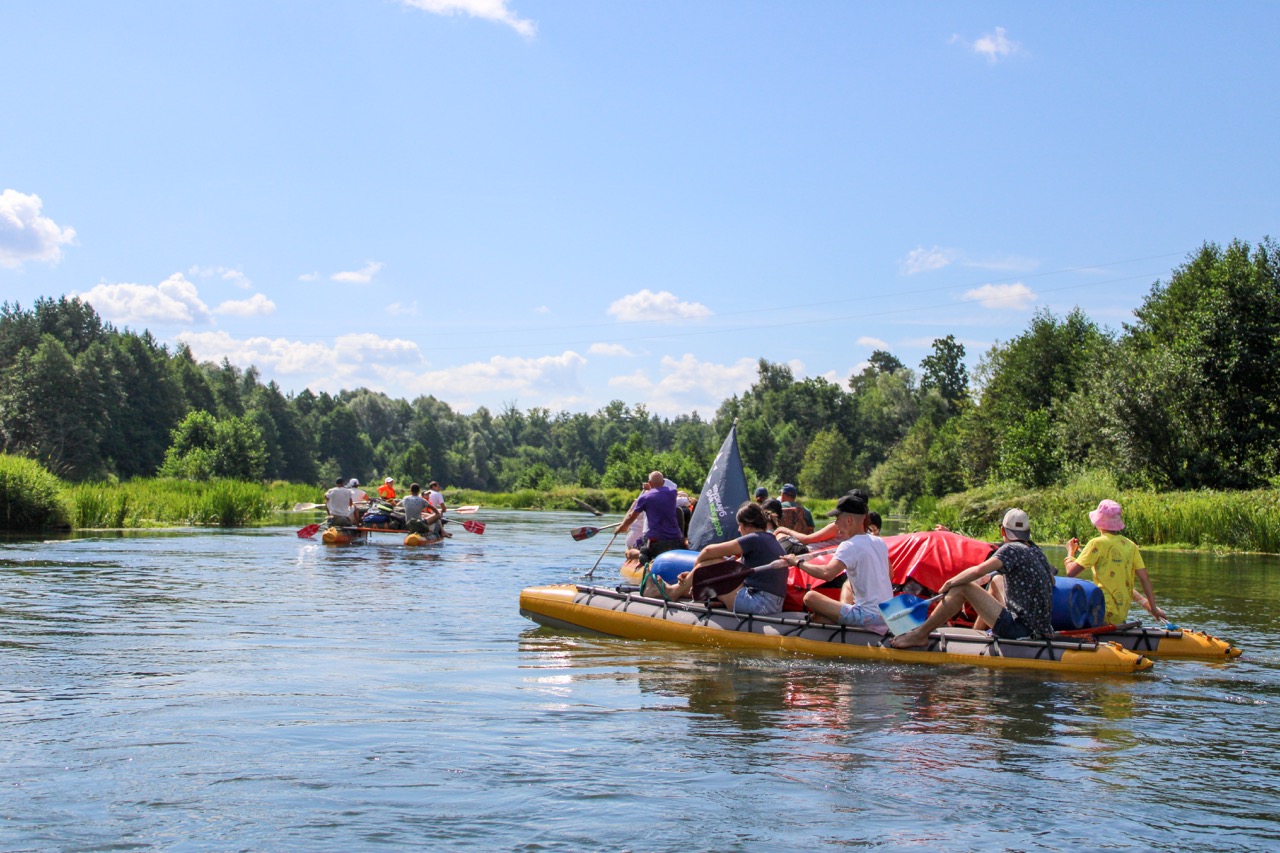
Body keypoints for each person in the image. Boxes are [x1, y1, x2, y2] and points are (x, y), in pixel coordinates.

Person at [889, 508, 1055, 648]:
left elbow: (978, 571)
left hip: (1019, 630)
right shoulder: (1037, 552)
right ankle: (977, 634)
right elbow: (1052, 581)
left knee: (962, 587)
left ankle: (920, 634)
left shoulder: (1010, 549)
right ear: (1027, 533)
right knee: (996, 581)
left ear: (1003, 531)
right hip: (1041, 629)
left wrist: (949, 582)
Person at [783, 494, 893, 632]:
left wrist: (797, 562)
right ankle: (830, 618)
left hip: (866, 616)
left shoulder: (848, 545)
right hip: (888, 614)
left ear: (848, 520)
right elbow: (890, 575)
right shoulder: (879, 541)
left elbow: (826, 574)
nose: (835, 524)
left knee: (810, 597)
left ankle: (835, 621)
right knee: (847, 584)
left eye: (837, 519)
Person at [660, 502, 787, 614]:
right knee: (718, 566)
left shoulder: (754, 538)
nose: (738, 529)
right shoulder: (770, 539)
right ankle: (680, 590)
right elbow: (733, 568)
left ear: (747, 525)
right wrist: (696, 574)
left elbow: (708, 551)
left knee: (714, 562)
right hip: (772, 604)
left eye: (739, 525)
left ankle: (674, 592)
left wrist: (699, 572)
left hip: (759, 604)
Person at [1064, 499, 1165, 625]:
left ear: (1098, 522)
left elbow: (1070, 572)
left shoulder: (1096, 543)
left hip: (1101, 612)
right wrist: (1153, 608)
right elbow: (1144, 578)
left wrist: (1070, 552)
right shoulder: (1130, 545)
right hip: (1120, 615)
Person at [618, 471, 685, 563]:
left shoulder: (644, 497)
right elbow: (660, 494)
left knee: (629, 552)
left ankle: (641, 554)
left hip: (654, 540)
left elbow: (632, 517)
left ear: (649, 483)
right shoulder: (672, 493)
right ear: (663, 482)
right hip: (674, 539)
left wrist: (622, 527)